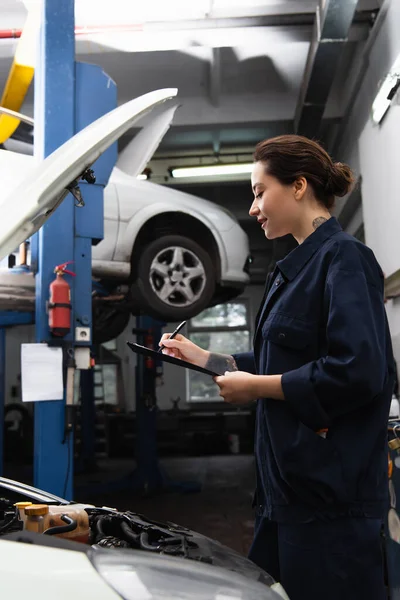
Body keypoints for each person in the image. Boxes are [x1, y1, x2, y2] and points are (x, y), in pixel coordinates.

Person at [159, 135, 395, 600]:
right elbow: (275, 364)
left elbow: (360, 370)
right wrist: (202, 358)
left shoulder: (344, 259)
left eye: (258, 190)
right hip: (283, 495)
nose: (253, 207)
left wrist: (258, 387)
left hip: (331, 504)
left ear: (299, 186)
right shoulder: (291, 270)